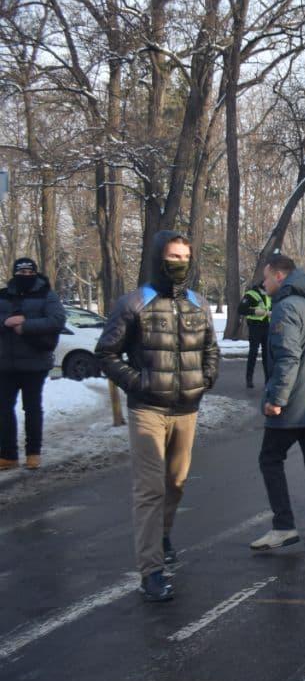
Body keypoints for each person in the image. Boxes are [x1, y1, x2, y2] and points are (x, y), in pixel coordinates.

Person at [96, 231, 220, 602]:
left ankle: (163, 533)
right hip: (148, 410)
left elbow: (211, 350)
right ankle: (150, 570)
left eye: (185, 256)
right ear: (158, 258)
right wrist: (139, 383)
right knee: (150, 490)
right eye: (172, 256)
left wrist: (206, 378)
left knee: (177, 482)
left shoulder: (198, 303)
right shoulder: (134, 302)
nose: (179, 263)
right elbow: (106, 353)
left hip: (187, 409)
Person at [249, 254, 305, 552]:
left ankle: (283, 526)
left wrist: (276, 399)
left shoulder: (286, 308)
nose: (263, 284)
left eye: (265, 278)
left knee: (270, 459)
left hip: (292, 405)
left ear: (278, 276)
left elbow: (288, 358)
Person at [0, 257, 67, 470]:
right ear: (14, 273)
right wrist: (5, 322)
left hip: (35, 363)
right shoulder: (3, 295)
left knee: (32, 409)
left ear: (35, 273)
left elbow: (57, 321)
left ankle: (33, 453)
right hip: (5, 364)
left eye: (29, 273)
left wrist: (26, 326)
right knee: (3, 410)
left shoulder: (47, 295)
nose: (25, 276)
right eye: (21, 273)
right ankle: (8, 455)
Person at [237, 280, 271, 389]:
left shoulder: (271, 294)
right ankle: (249, 379)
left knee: (267, 355)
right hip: (255, 327)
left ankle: (268, 380)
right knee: (253, 353)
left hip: (267, 327)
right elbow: (241, 309)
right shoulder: (251, 294)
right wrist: (255, 312)